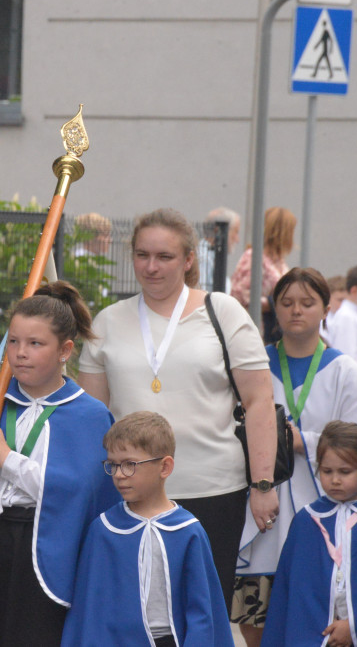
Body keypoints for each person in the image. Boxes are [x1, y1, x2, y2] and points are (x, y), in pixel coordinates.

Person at [78, 207, 279, 609]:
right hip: (130, 493)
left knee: (202, 610)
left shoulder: (222, 313)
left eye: (165, 257)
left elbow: (259, 402)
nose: (151, 267)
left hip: (212, 489)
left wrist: (262, 485)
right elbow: (92, 416)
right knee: (132, 610)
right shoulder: (109, 321)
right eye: (142, 255)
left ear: (188, 260)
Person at [0, 282, 120, 647]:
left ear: (65, 349)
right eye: (14, 342)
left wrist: (7, 458)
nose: (20, 353)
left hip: (45, 544)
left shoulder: (90, 415)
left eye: (35, 344)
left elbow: (76, 496)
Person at [231, 268, 357, 647]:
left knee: (321, 615)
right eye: (287, 302)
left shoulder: (347, 373)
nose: (296, 310)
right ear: (274, 309)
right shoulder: (253, 368)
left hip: (329, 512)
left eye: (307, 302)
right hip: (262, 514)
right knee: (258, 618)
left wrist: (305, 442)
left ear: (326, 309)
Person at [61, 412, 233, 647]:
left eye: (130, 464)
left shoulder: (188, 531)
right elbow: (90, 610)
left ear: (164, 467)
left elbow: (202, 610)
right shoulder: (103, 530)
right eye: (113, 465)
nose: (120, 475)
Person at [262, 421, 357, 647]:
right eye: (327, 471)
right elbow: (289, 594)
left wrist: (356, 627)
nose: (335, 479)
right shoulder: (305, 522)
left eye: (344, 471)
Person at [230, 206, 296, 343]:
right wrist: (276, 303)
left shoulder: (279, 261)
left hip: (274, 331)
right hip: (255, 332)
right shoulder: (254, 258)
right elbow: (239, 295)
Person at [198, 207, 241, 293]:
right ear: (218, 230)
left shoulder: (212, 256)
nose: (237, 239)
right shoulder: (203, 258)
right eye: (235, 232)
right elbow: (202, 292)